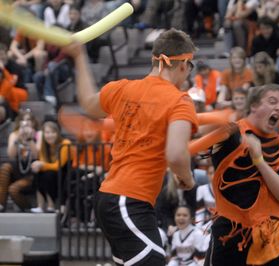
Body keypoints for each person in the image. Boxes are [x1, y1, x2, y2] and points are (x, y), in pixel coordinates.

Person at [64, 28, 198, 266]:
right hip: (129, 200)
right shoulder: (179, 100)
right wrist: (186, 177)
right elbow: (176, 154)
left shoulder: (123, 88)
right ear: (184, 65)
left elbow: (87, 102)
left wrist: (79, 56)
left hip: (111, 197)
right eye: (191, 67)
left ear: (153, 59)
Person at [196, 84, 279, 265]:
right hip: (229, 229)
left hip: (270, 231)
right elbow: (194, 133)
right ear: (253, 105)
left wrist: (259, 160)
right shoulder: (229, 133)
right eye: (272, 101)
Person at [30, 120, 71, 213]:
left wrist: (42, 165)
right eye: (47, 133)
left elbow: (58, 166)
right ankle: (40, 205)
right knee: (38, 174)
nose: (50, 135)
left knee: (48, 175)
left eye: (53, 132)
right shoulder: (44, 146)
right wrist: (37, 165)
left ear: (58, 133)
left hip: (65, 174)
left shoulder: (65, 144)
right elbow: (43, 161)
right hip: (51, 172)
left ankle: (51, 205)